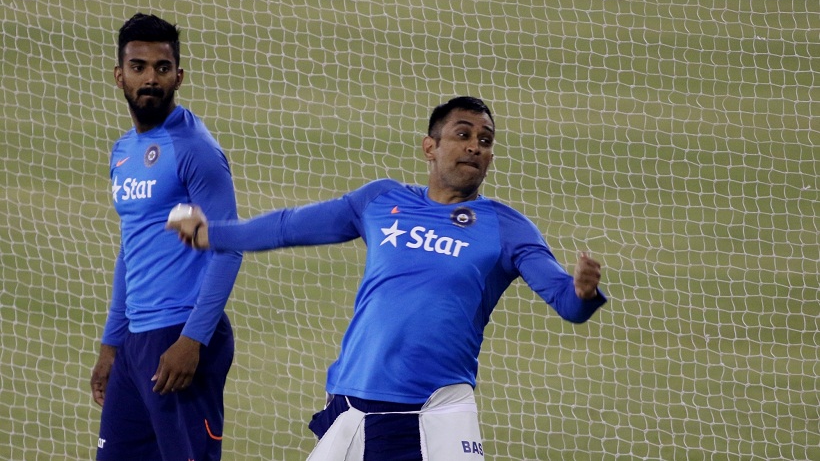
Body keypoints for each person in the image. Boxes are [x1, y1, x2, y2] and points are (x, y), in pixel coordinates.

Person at [167, 96, 606, 461]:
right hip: (352, 406)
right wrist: (212, 235)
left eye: (485, 140)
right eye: (463, 134)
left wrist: (582, 291)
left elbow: (567, 304)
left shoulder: (507, 228)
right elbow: (289, 226)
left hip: (432, 416)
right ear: (429, 147)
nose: (475, 146)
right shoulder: (381, 200)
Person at [90, 13, 243, 461]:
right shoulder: (123, 152)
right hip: (137, 342)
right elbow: (131, 247)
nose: (151, 79)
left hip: (180, 337)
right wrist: (111, 343)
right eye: (139, 67)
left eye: (162, 67)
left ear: (179, 74)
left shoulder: (194, 148)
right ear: (120, 75)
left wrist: (192, 340)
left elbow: (228, 244)